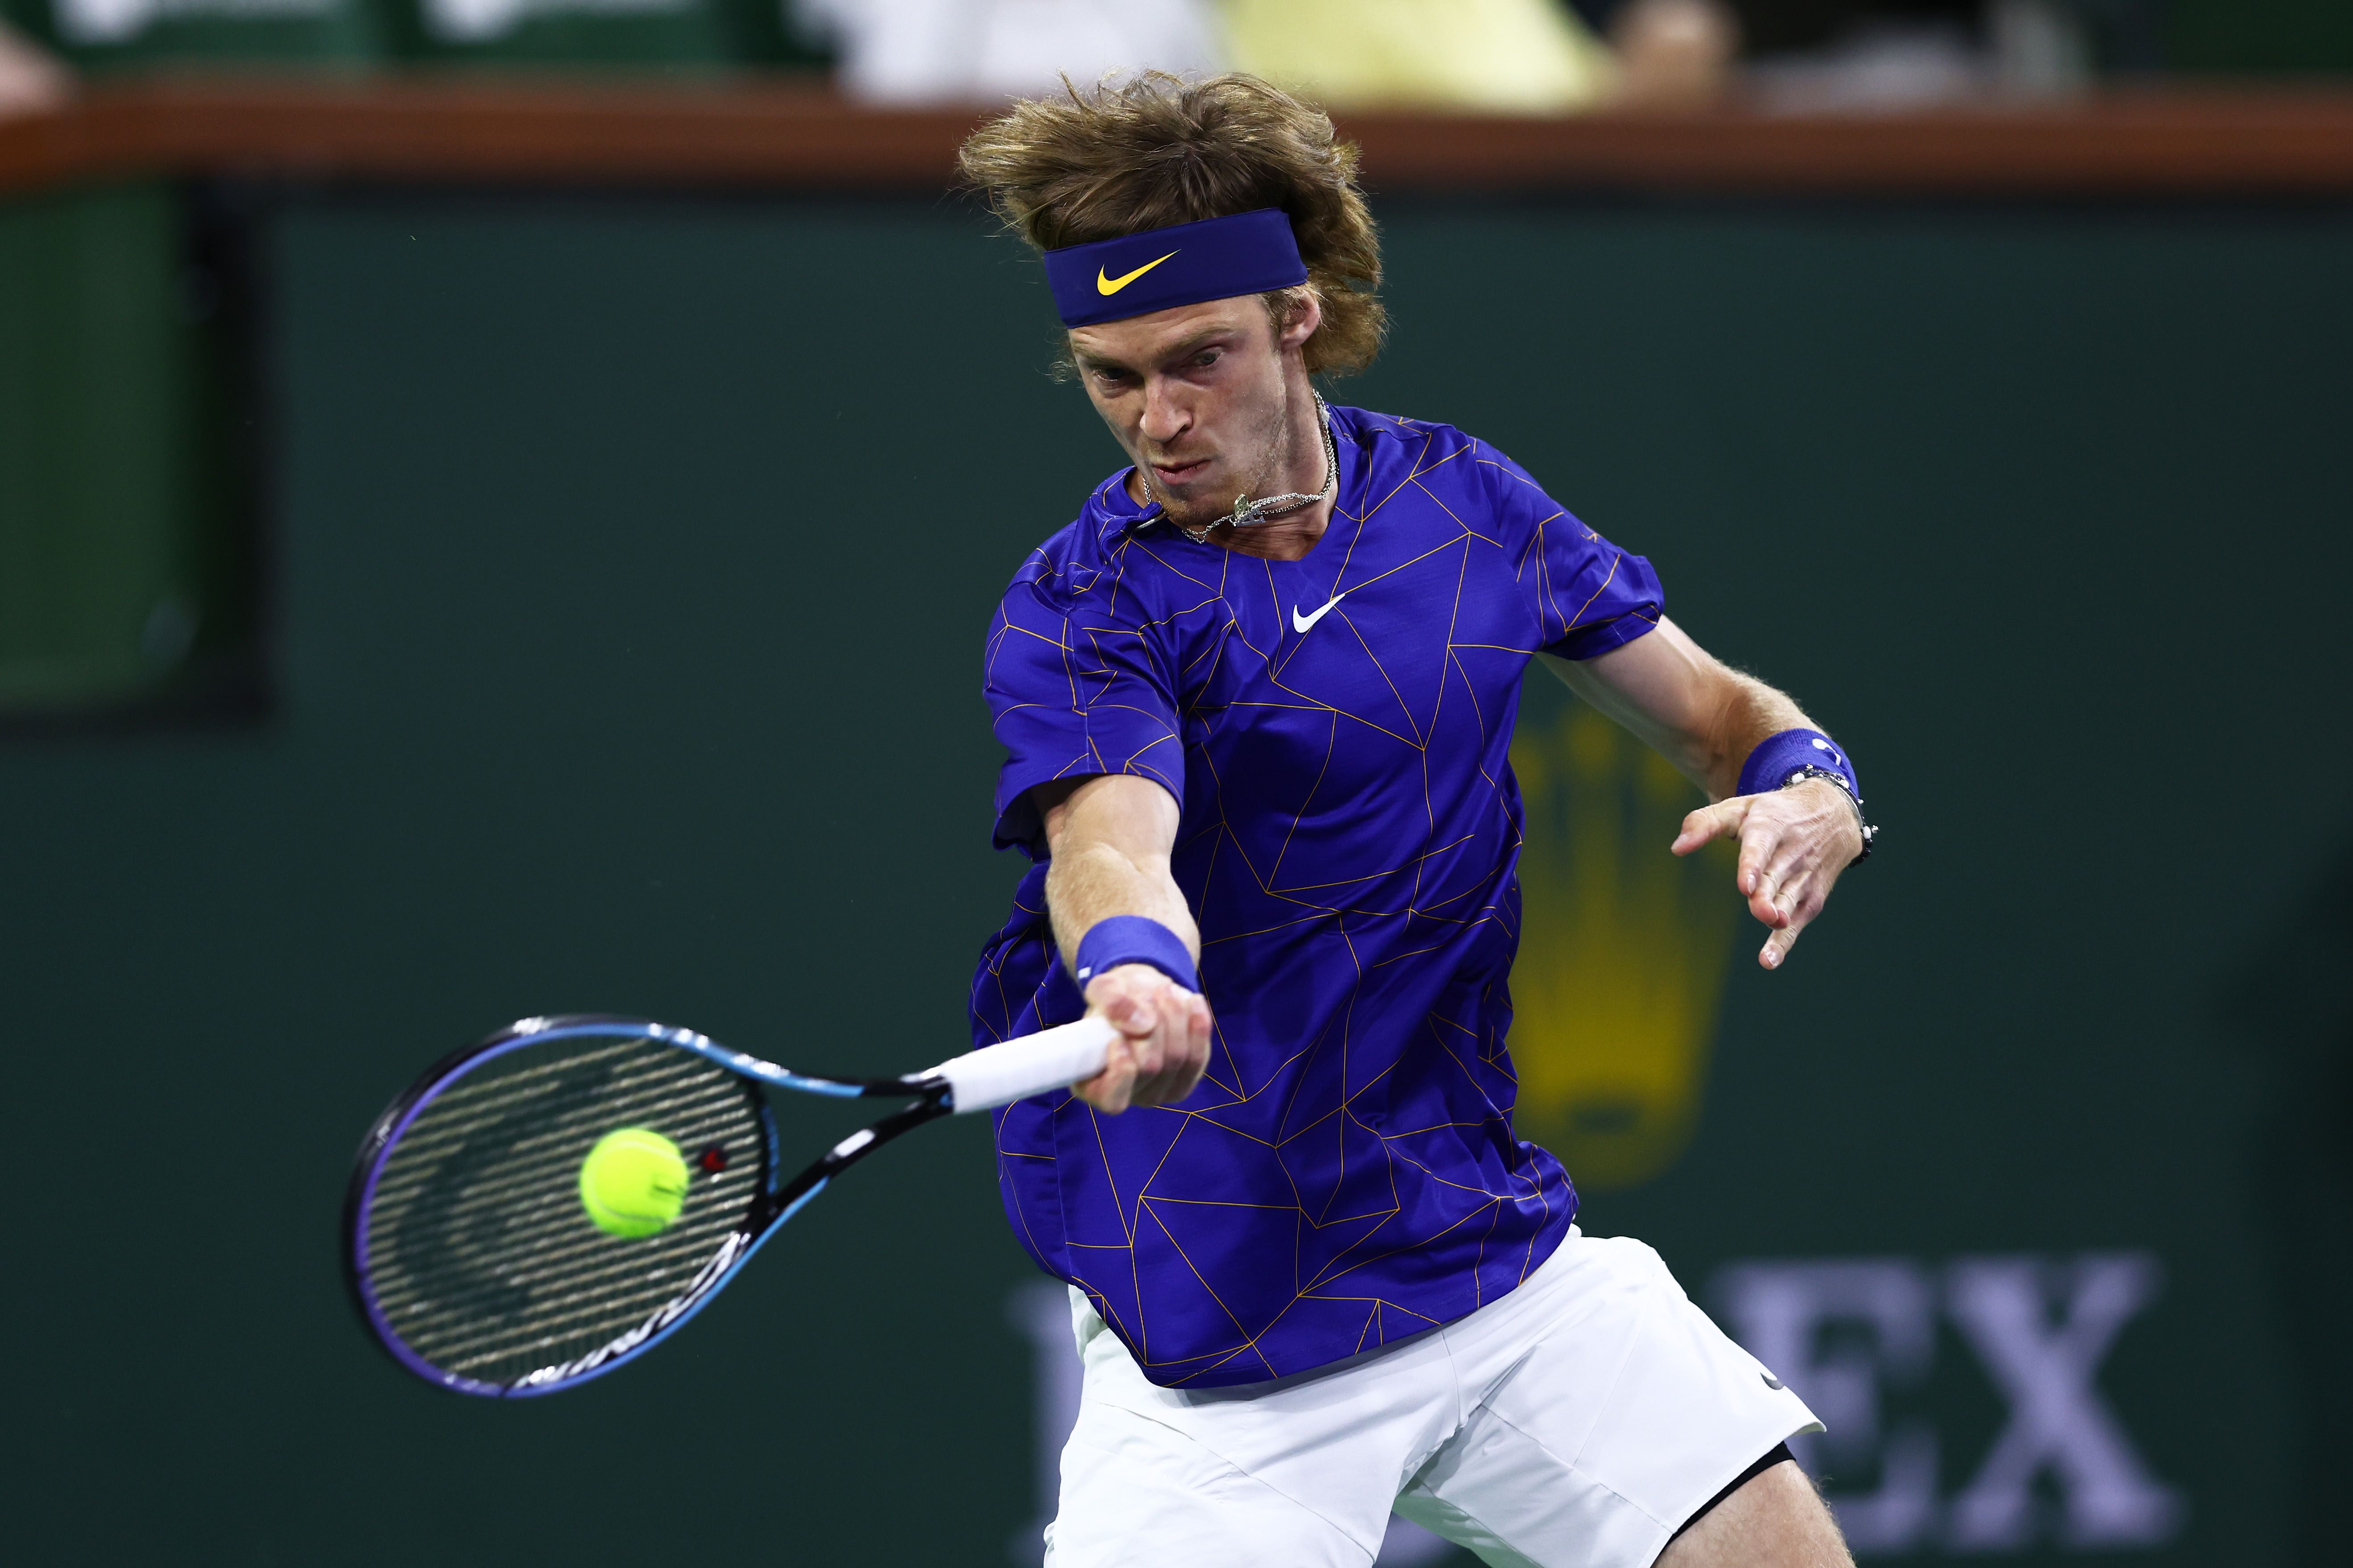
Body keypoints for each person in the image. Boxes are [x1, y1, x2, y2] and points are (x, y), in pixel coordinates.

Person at [959, 72, 1873, 1568]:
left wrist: (1816, 788)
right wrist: (1132, 960)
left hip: (1487, 1261)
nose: (1161, 421)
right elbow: (1109, 834)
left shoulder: (1466, 505)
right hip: (1221, 1339)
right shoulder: (1089, 600)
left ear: (1299, 316)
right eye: (1114, 377)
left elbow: (1725, 720)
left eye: (1200, 358)